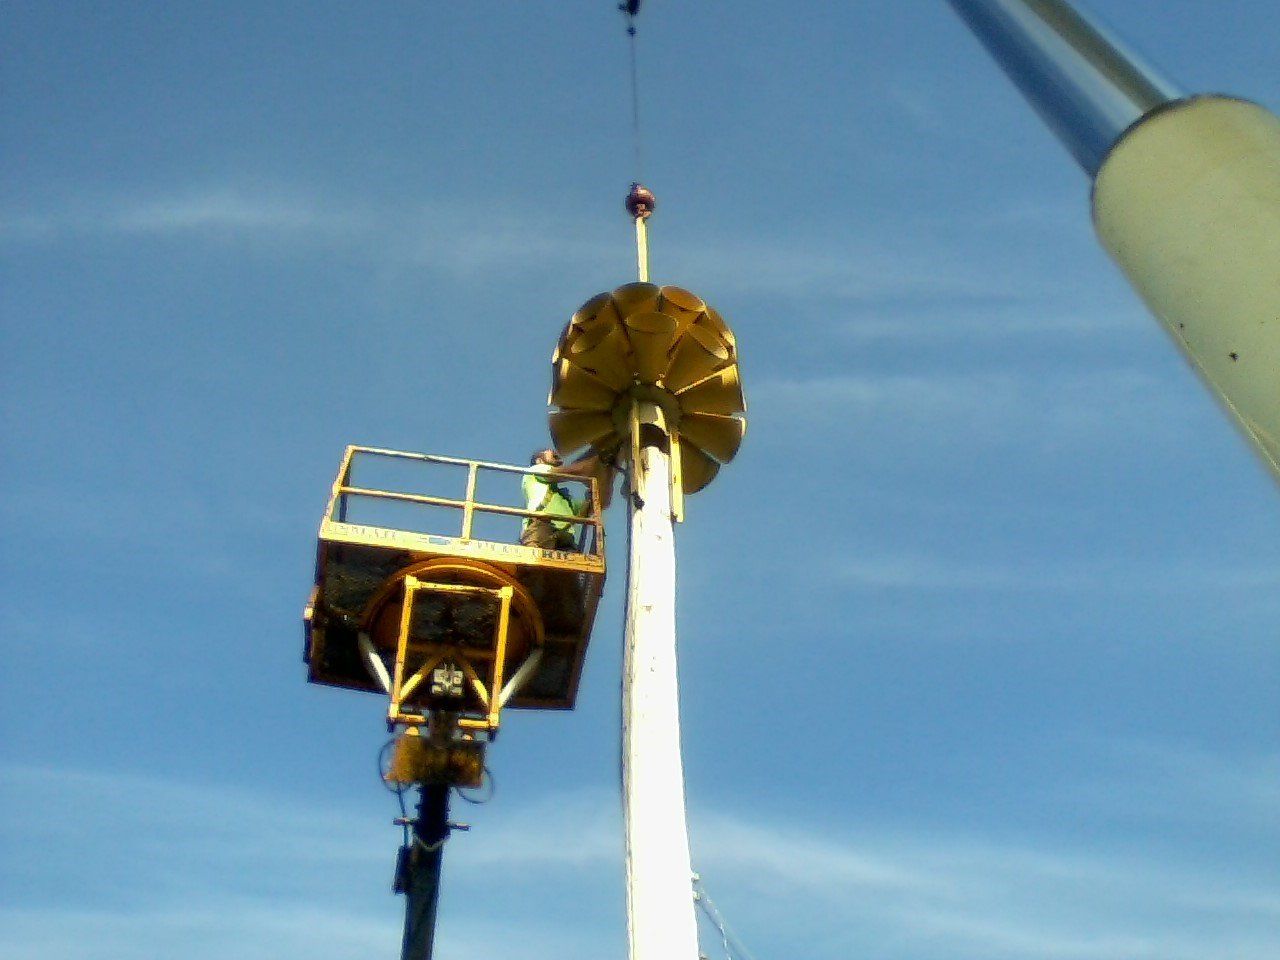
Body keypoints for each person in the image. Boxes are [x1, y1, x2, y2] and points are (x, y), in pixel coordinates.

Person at [519, 448, 615, 549]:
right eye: (548, 451)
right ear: (539, 461)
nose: (552, 450)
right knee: (535, 559)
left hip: (565, 538)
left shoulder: (565, 500)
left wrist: (609, 472)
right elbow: (564, 472)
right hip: (541, 529)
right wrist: (595, 460)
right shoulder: (535, 470)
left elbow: (601, 503)